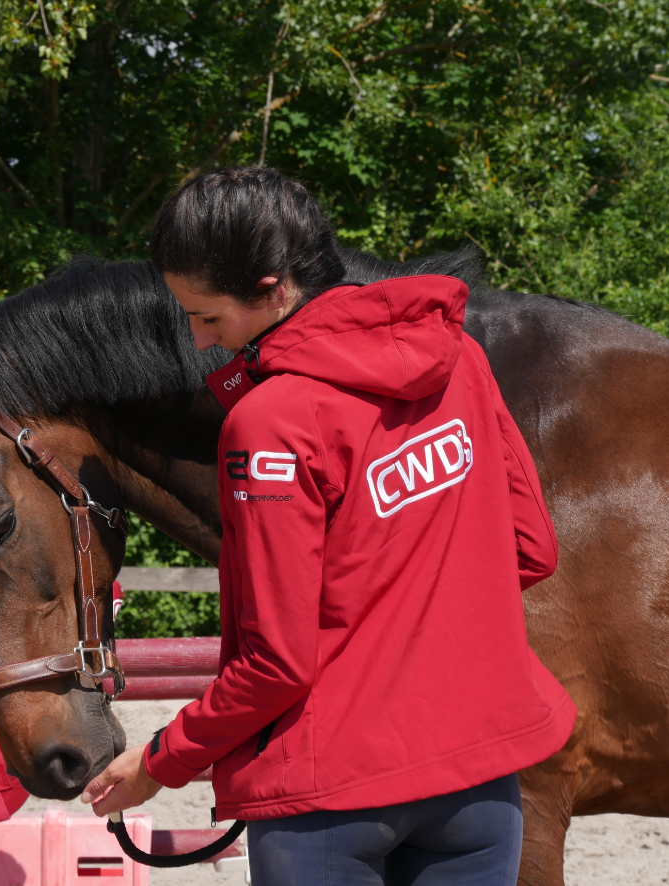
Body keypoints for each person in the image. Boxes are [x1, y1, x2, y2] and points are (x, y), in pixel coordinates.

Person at [79, 167, 577, 885]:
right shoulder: (460, 359)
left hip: (330, 796)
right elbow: (530, 546)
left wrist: (161, 762)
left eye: (209, 318)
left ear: (272, 288)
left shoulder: (270, 423)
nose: (196, 342)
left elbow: (277, 662)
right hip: (477, 782)